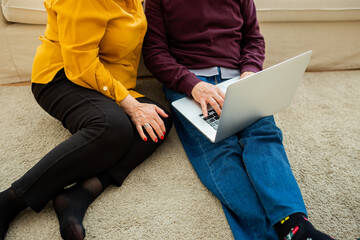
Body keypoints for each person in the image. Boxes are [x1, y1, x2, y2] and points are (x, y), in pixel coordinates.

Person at [142, 0, 334, 239]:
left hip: (239, 78)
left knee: (264, 135)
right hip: (190, 86)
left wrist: (250, 73)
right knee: (221, 152)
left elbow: (253, 39)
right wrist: (193, 86)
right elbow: (154, 53)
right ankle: (283, 234)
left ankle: (295, 225)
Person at [0, 0, 172, 239]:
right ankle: (11, 200)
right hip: (62, 77)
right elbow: (80, 64)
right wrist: (129, 103)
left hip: (107, 78)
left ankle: (79, 195)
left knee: (159, 119)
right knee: (113, 127)